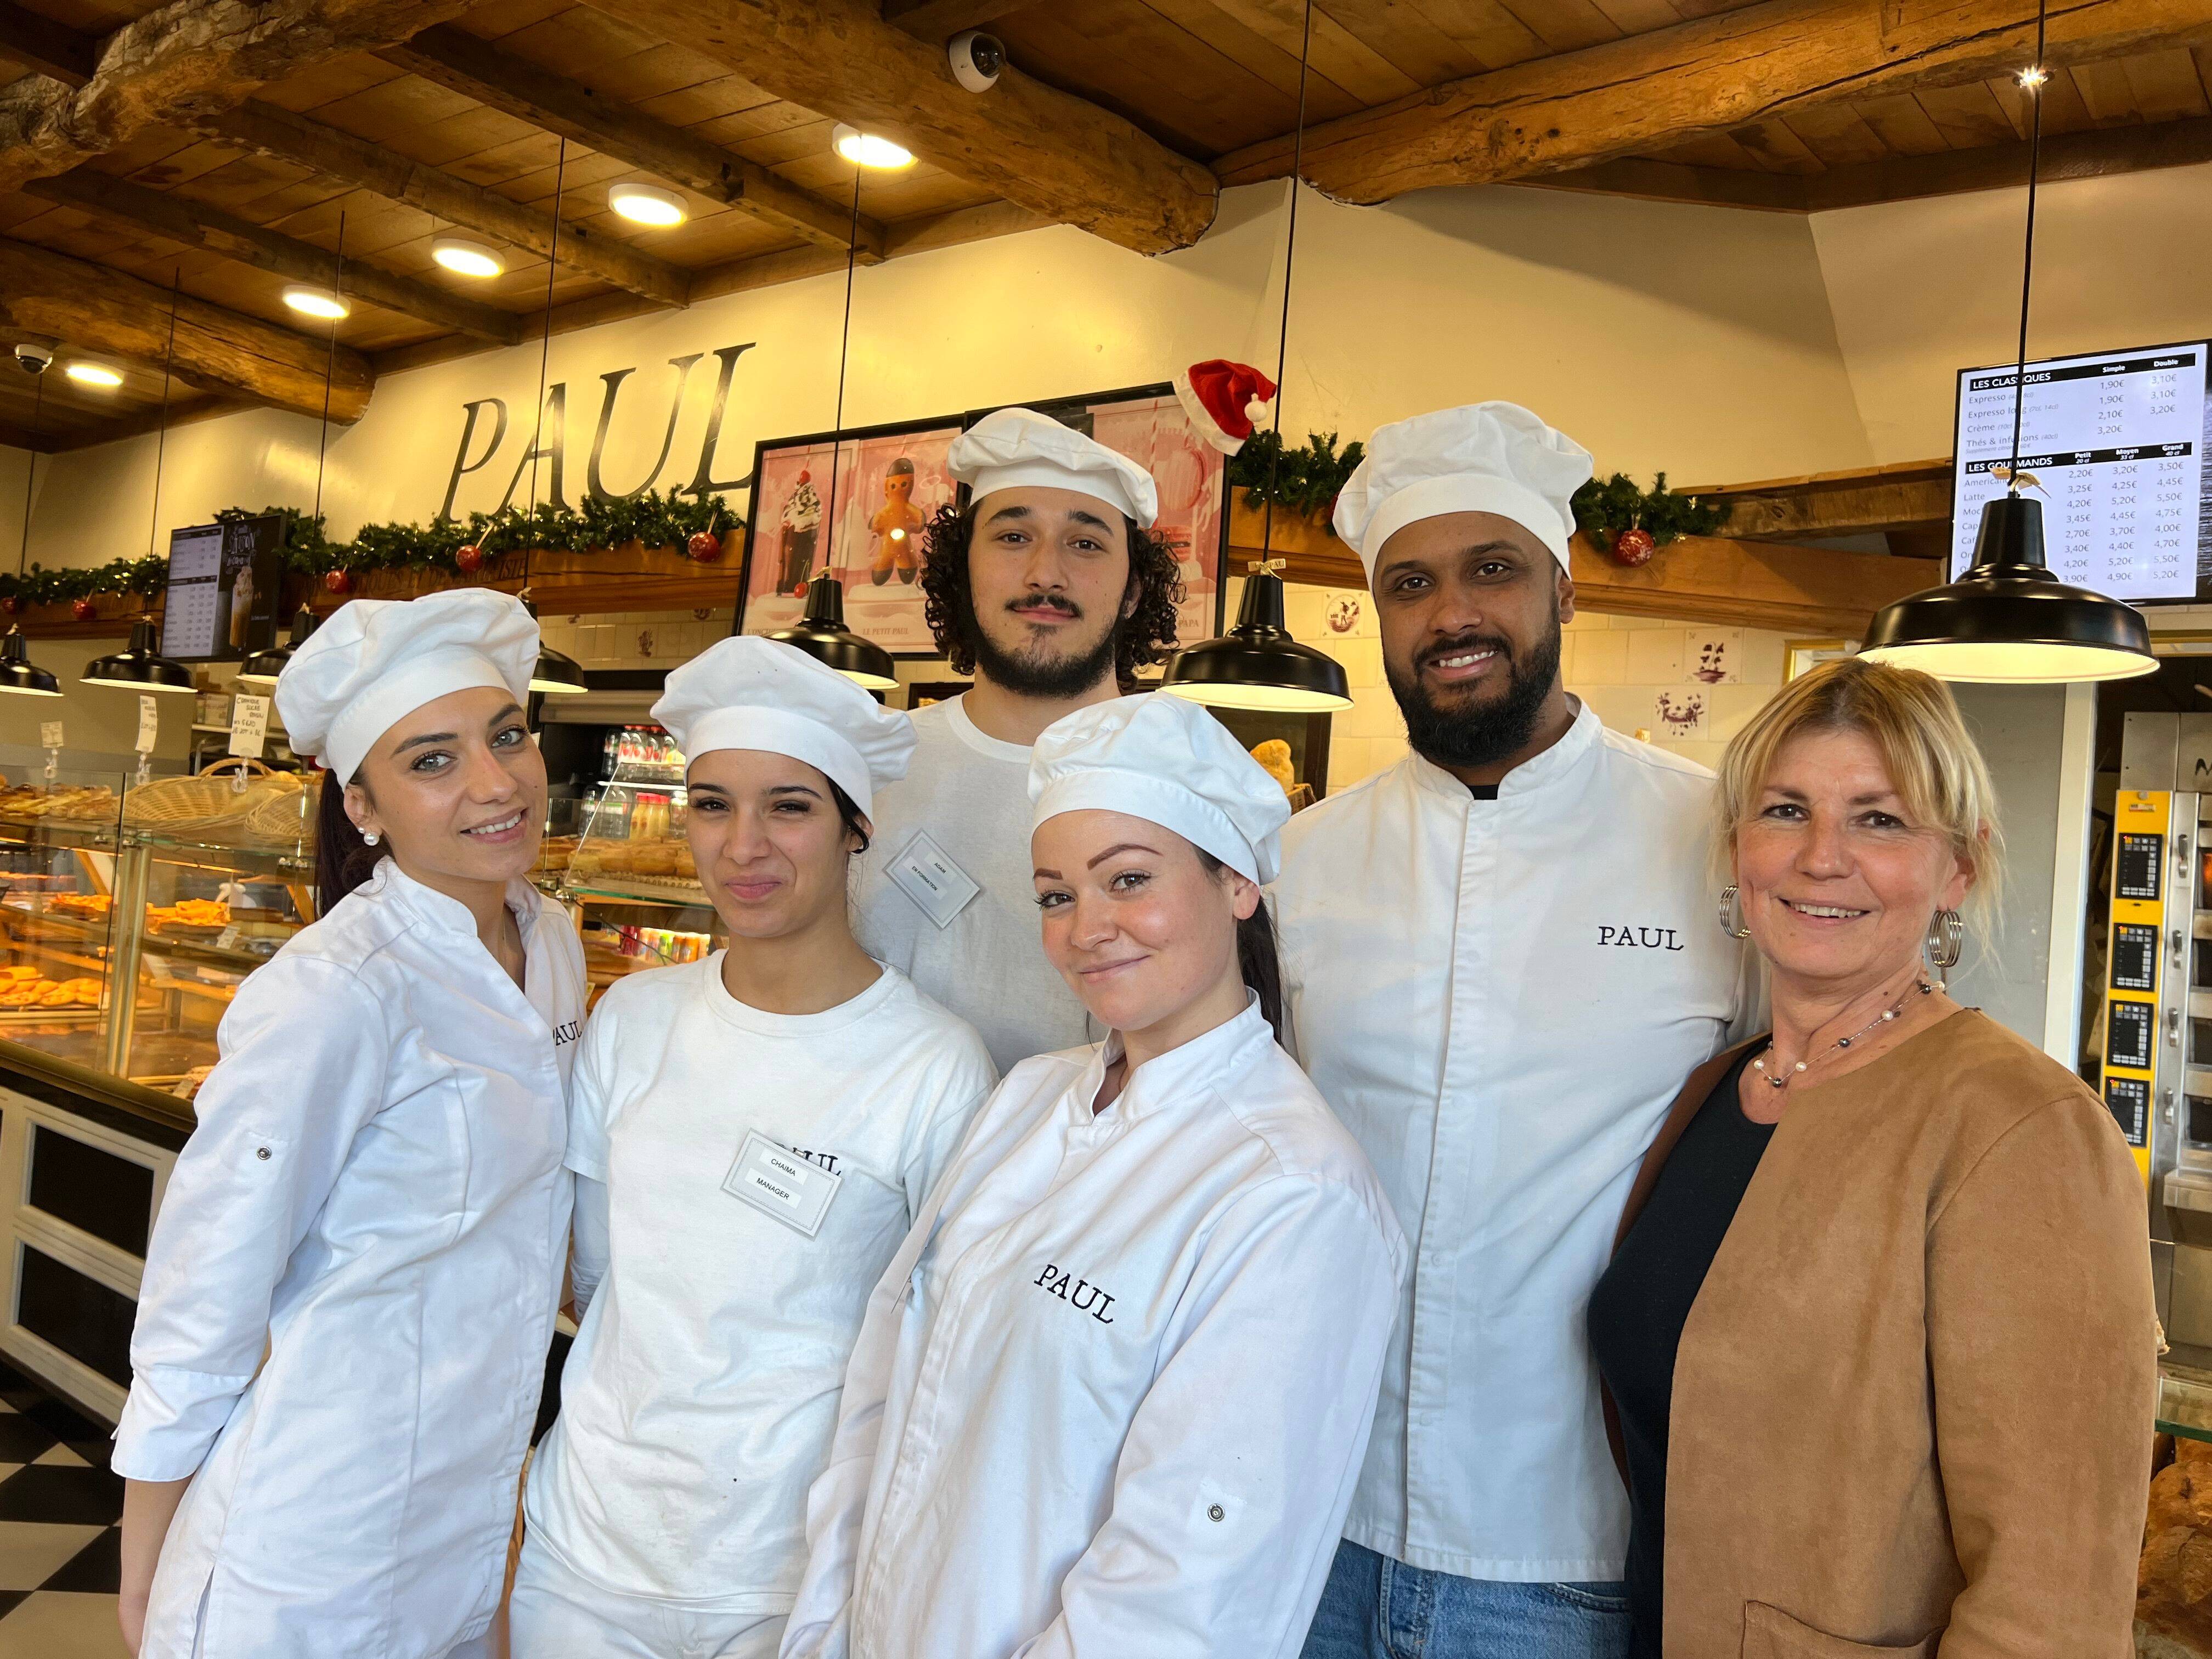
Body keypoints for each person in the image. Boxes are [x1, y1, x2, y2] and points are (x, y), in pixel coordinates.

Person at [783, 693, 1407, 1659]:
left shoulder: (1293, 1193)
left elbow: (1184, 1597)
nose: (1087, 928)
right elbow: (884, 1395)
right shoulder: (1031, 1097)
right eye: (1056, 895)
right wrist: (823, 1632)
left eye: (1129, 879)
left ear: (1237, 883)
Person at [1282, 403, 1757, 1659]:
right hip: (1310, 1519)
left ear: (1563, 590)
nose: (1453, 614)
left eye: (1492, 569)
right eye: (1411, 583)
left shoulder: (1713, 841)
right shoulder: (1301, 860)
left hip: (1570, 1550)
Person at [1587, 657, 2156, 1658]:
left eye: (1879, 820)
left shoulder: (2023, 1127)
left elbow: (2053, 1600)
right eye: (1785, 810)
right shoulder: (1715, 1090)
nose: (1821, 857)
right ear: (1739, 848)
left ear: (1959, 867)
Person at [113, 589, 586, 1659]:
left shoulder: (551, 940)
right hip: (315, 1524)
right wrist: (145, 1560)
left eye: (507, 736)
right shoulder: (336, 989)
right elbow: (208, 1277)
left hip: (470, 1498)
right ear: (362, 803)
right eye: (432, 760)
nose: (496, 782)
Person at [511, 637, 998, 1659]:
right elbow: (594, 1279)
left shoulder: (934, 1067)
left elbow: (939, 1350)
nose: (744, 846)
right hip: (585, 1549)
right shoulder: (633, 1017)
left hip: (788, 1576)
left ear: (857, 827)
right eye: (712, 803)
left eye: (789, 806)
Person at [853, 405, 1184, 1072]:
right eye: (1012, 537)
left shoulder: (1189, 778)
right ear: (963, 571)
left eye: (1085, 543)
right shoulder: (871, 766)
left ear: (1133, 590)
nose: (1045, 575)